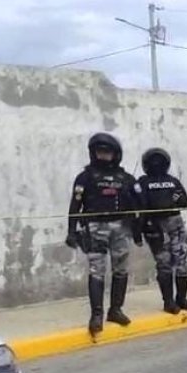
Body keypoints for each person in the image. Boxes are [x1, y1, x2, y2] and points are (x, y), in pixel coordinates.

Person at [66, 133, 141, 337]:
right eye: (99, 151)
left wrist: (137, 231)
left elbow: (137, 205)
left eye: (107, 152)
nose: (103, 155)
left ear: (115, 154)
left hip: (120, 228)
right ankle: (96, 315)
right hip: (95, 227)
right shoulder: (85, 177)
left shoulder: (125, 178)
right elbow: (75, 204)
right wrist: (71, 231)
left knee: (121, 270)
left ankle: (115, 310)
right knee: (96, 271)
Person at [135, 148, 187, 314]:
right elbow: (139, 208)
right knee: (164, 264)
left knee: (184, 262)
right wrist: (139, 231)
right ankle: (168, 302)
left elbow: (185, 202)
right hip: (155, 226)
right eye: (153, 162)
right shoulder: (142, 182)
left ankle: (182, 298)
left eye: (159, 161)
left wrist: (172, 201)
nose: (156, 165)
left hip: (175, 224)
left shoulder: (173, 181)